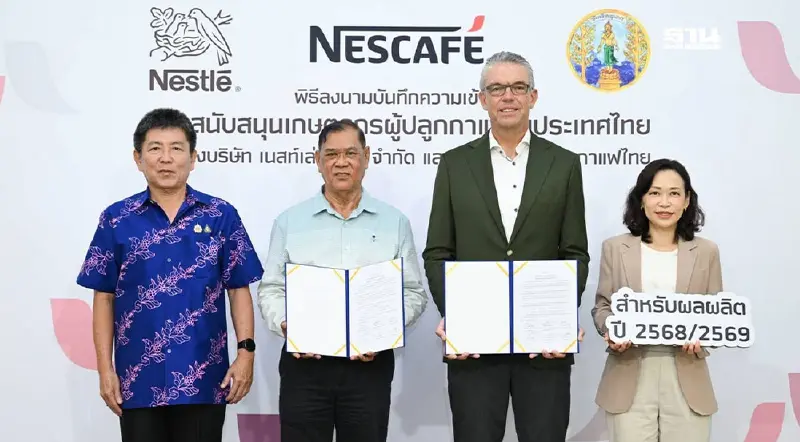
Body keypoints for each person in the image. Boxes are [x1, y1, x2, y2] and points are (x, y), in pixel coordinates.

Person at [422, 51, 590, 442]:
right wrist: (459, 317)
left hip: (544, 349)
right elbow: (438, 252)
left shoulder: (564, 164)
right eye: (497, 88)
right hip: (475, 350)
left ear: (533, 96)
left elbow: (574, 253)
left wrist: (559, 316)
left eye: (518, 87)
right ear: (482, 99)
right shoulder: (453, 164)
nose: (508, 96)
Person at [76, 108, 264, 442]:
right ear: (138, 158)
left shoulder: (221, 215)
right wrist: (106, 370)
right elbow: (103, 296)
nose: (166, 159)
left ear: (193, 158)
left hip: (204, 378)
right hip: (137, 380)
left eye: (177, 148)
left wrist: (245, 353)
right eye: (155, 148)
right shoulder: (117, 219)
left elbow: (238, 289)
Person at [256, 119, 428, 442]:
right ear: (317, 160)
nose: (341, 162)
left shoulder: (395, 222)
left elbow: (413, 293)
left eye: (350, 153)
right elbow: (271, 289)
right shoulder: (290, 222)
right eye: (331, 154)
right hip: (304, 365)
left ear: (366, 156)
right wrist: (285, 324)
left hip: (369, 366)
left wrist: (386, 328)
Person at [591, 159, 720, 442]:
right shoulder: (615, 248)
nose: (664, 202)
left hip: (686, 371)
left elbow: (716, 313)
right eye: (655, 192)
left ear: (687, 201)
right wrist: (611, 330)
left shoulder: (706, 251)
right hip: (629, 370)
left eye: (674, 193)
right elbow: (603, 306)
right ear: (641, 200)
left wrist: (704, 334)